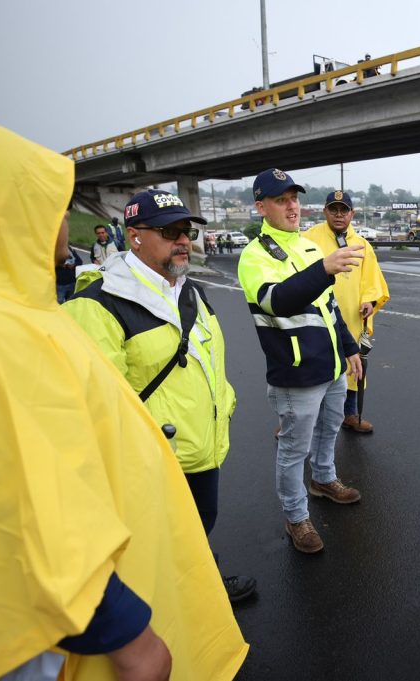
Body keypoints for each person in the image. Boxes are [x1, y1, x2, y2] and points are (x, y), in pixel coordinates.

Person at [0, 101, 247, 680]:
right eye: (52, 204)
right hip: (47, 621)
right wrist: (121, 630)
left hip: (188, 462)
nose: (66, 222)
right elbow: (14, 500)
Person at [63, 189, 257, 602]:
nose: (183, 240)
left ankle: (200, 585)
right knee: (152, 550)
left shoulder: (191, 292)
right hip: (149, 463)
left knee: (198, 526)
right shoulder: (96, 305)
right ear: (134, 236)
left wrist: (224, 405)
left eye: (186, 231)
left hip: (202, 448)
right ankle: (172, 609)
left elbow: (209, 361)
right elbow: (97, 407)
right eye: (170, 231)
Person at [237, 168, 365, 554]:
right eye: (281, 199)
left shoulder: (308, 247)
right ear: (261, 207)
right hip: (295, 374)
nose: (292, 206)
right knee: (294, 449)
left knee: (330, 431)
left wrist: (349, 347)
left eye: (294, 198)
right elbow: (276, 300)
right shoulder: (254, 255)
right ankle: (296, 518)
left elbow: (328, 308)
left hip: (331, 368)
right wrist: (323, 270)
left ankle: (324, 479)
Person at [303, 190, 390, 434]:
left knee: (353, 368)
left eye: (344, 210)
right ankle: (299, 421)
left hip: (350, 319)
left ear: (352, 213)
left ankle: (350, 414)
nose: (339, 215)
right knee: (311, 368)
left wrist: (370, 303)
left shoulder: (362, 245)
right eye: (334, 209)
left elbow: (372, 282)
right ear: (325, 211)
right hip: (315, 317)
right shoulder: (308, 239)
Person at [55, 232, 82, 303]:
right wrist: (59, 264)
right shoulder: (52, 250)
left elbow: (79, 261)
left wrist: (73, 265)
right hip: (60, 284)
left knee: (70, 303)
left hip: (72, 282)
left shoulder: (70, 249)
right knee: (59, 303)